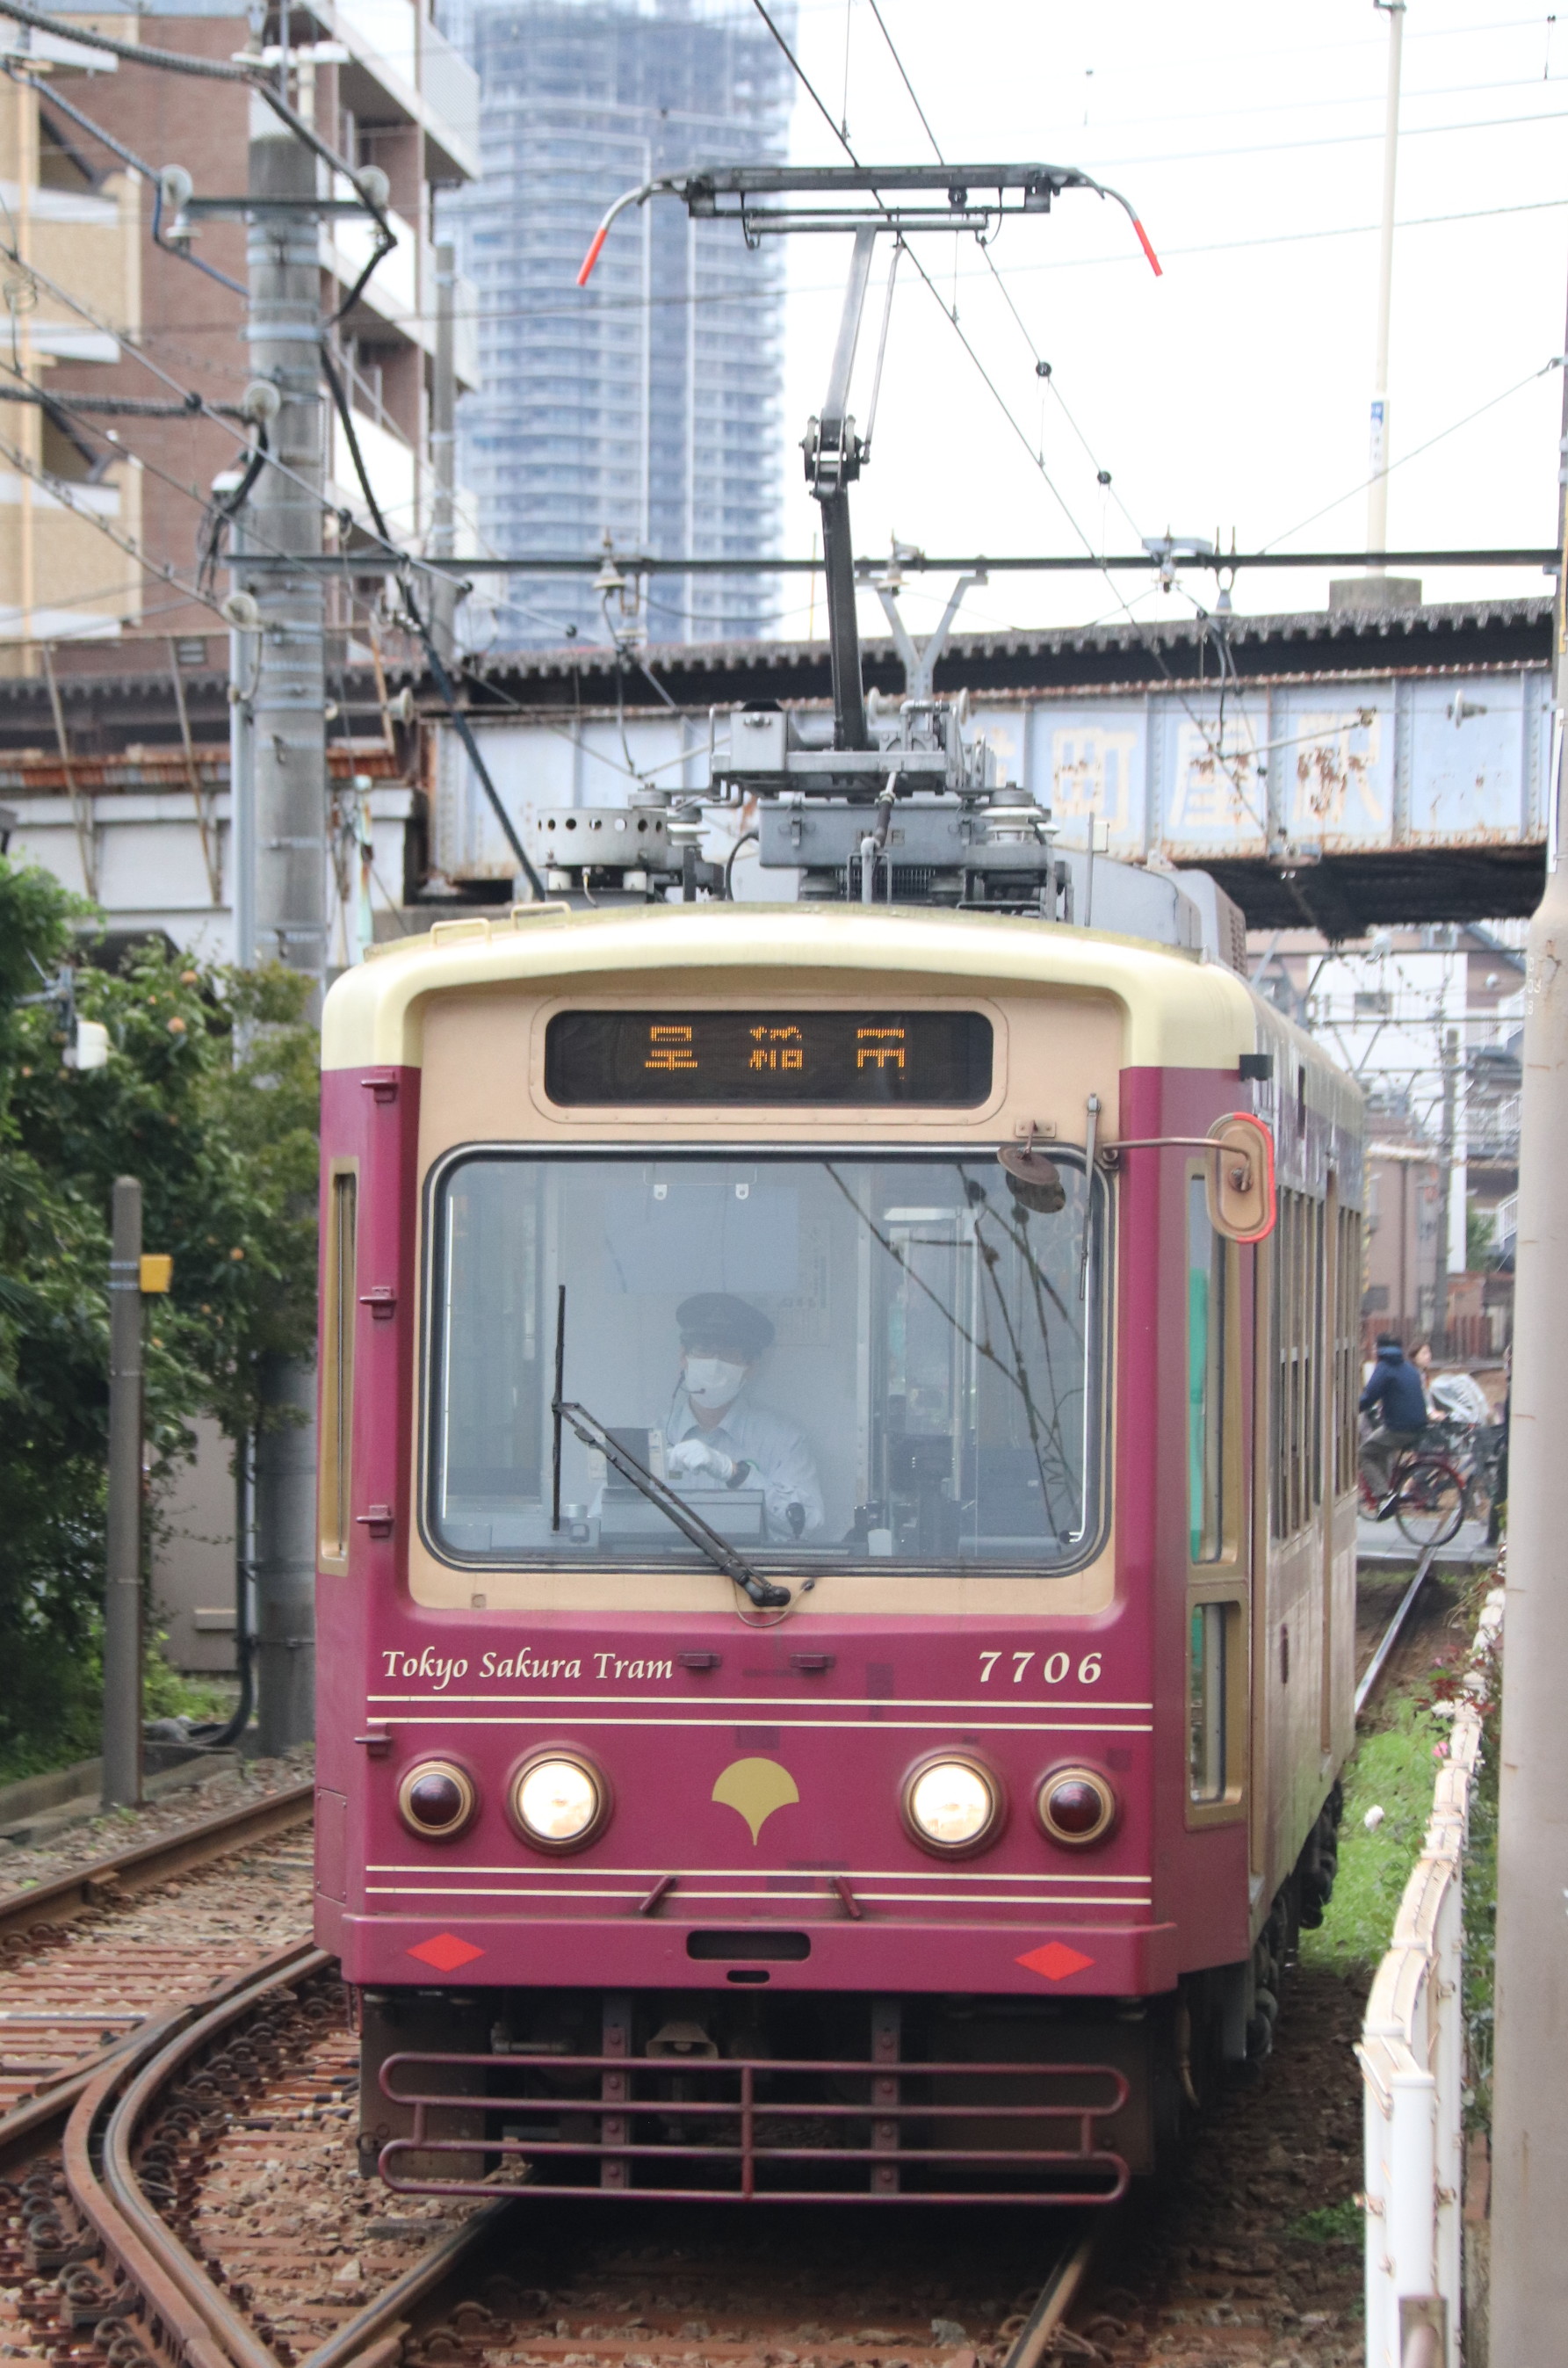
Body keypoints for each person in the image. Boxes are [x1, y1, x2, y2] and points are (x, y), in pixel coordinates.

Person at [663, 1292, 824, 1543]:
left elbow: (807, 1523)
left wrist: (736, 1474)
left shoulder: (783, 1440)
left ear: (750, 1366)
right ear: (684, 1356)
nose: (714, 1363)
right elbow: (603, 1525)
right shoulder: (654, 1437)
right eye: (704, 1349)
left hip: (753, 1577)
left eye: (728, 1353)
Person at [1359, 1335, 1429, 1505]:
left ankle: (1383, 1496)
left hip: (1399, 1428)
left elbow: (1369, 1397)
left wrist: (1351, 1409)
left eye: (1375, 1348)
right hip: (1419, 1426)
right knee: (1380, 1446)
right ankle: (1386, 1491)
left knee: (1363, 1454)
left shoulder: (1385, 1368)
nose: (1373, 1352)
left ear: (1380, 1350)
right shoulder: (1408, 1367)